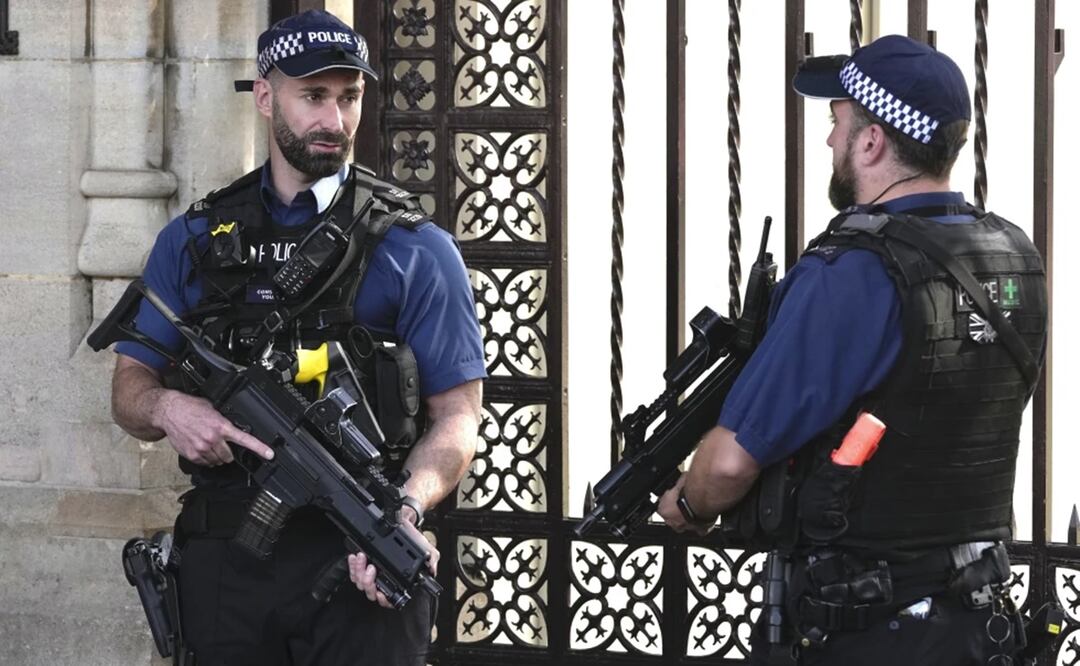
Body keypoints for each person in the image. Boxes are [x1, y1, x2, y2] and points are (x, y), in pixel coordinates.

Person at [109, 9, 485, 665]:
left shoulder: (416, 250)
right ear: (264, 95)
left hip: (357, 565)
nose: (334, 121)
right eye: (314, 96)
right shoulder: (194, 242)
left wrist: (404, 511)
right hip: (227, 563)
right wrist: (169, 408)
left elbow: (458, 418)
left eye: (349, 98)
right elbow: (129, 390)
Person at [657, 35, 1047, 664]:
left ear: (872, 141)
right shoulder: (1015, 257)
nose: (830, 141)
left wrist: (688, 501)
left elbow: (730, 463)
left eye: (837, 122)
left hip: (865, 625)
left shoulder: (852, 272)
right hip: (979, 623)